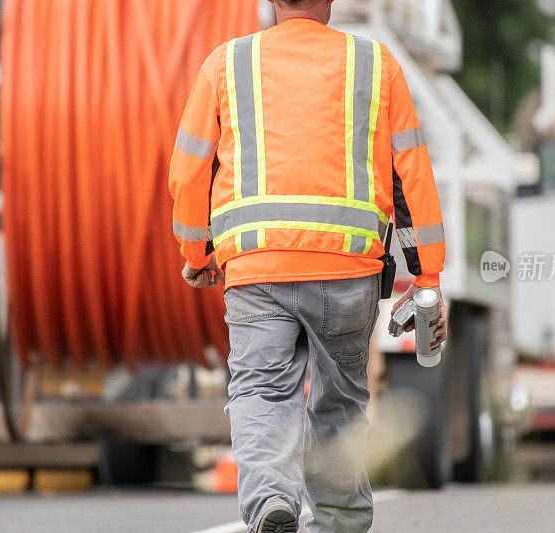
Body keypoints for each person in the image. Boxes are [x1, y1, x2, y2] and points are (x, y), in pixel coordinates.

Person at [169, 0, 447, 530]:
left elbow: (188, 172)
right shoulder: (376, 63)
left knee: (260, 392)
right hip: (348, 269)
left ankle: (272, 499)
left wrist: (197, 252)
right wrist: (426, 275)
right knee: (339, 402)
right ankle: (340, 520)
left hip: (256, 268)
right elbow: (409, 171)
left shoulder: (225, 64)